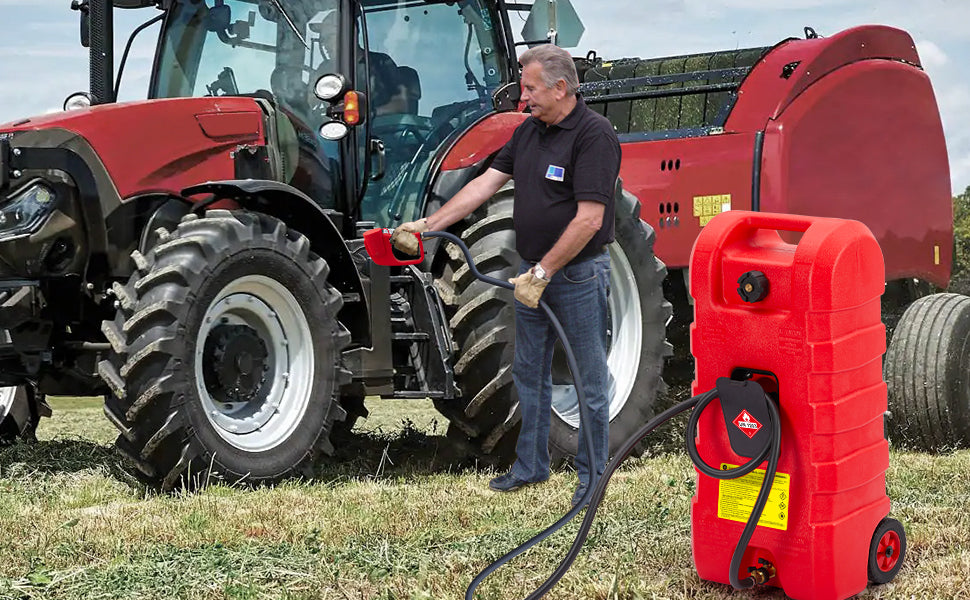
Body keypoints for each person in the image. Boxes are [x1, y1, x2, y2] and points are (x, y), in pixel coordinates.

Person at [390, 44, 620, 508]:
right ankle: (531, 466)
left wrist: (544, 270)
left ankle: (592, 476)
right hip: (530, 274)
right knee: (528, 374)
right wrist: (428, 225)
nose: (524, 97)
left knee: (587, 380)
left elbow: (590, 219)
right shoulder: (529, 133)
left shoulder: (594, 136)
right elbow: (484, 184)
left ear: (561, 88)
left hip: (574, 277)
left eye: (531, 88)